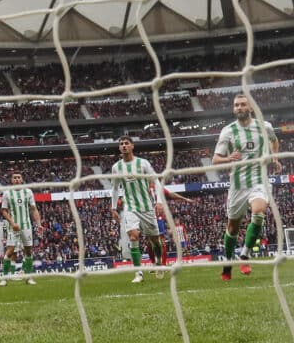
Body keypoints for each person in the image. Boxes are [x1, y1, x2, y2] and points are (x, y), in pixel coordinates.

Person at [212, 93, 281, 281]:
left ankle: (245, 255)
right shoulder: (228, 131)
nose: (240, 108)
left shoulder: (264, 127)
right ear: (233, 109)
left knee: (259, 212)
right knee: (233, 227)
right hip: (237, 185)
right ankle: (227, 264)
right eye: (236, 105)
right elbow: (215, 159)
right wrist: (228, 158)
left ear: (250, 107)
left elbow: (274, 140)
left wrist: (274, 157)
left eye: (243, 104)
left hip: (259, 180)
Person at [109, 136, 193, 283]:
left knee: (155, 240)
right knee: (133, 237)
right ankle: (138, 273)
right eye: (121, 144)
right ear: (119, 148)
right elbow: (115, 189)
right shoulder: (116, 167)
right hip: (130, 207)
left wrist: (159, 202)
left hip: (147, 207)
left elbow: (156, 181)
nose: (123, 146)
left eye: (126, 143)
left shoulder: (143, 163)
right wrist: (113, 207)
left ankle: (159, 262)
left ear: (132, 146)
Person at [0, 173, 43, 287]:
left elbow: (33, 209)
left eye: (19, 177)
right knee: (10, 251)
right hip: (13, 227)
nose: (17, 179)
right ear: (11, 180)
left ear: (22, 179)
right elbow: (3, 210)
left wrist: (39, 224)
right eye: (15, 178)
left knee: (28, 251)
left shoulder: (28, 192)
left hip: (26, 226)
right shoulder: (7, 193)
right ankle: (4, 278)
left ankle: (28, 278)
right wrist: (12, 223)